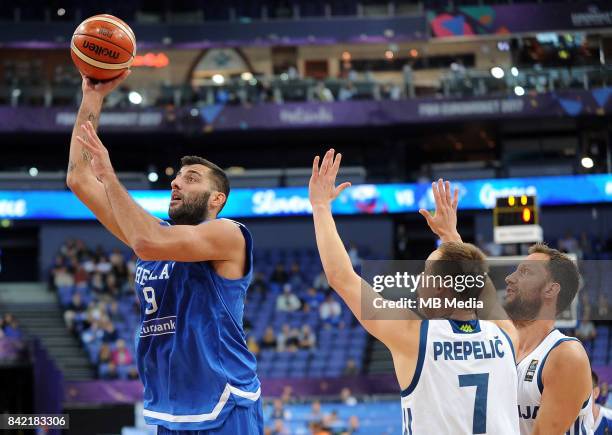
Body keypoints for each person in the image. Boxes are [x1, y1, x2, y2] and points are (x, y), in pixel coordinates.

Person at [66, 72, 262, 433]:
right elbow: (78, 179)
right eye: (176, 176)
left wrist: (109, 177)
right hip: (168, 407)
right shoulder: (157, 234)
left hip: (224, 403)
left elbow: (145, 241)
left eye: (191, 178)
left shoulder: (228, 234)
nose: (175, 181)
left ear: (216, 199)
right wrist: (92, 98)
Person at [309, 150, 519, 434]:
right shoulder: (506, 334)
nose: (420, 279)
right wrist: (451, 238)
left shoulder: (413, 334)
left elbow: (341, 277)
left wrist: (321, 207)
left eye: (427, 273)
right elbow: (481, 287)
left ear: (444, 289)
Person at [427, 179, 594, 434]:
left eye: (525, 272)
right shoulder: (501, 343)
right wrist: (450, 236)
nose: (509, 278)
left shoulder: (565, 355)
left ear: (551, 289)